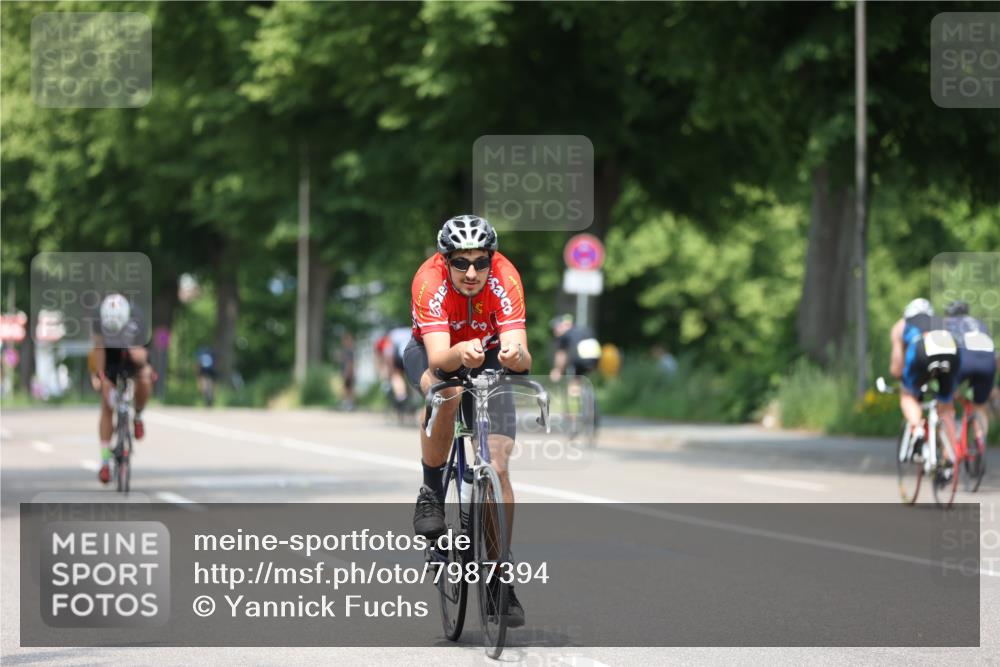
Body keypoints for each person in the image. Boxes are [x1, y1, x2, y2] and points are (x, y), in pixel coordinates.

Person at [405, 214, 531, 626]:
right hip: (435, 349)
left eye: (480, 262)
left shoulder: (506, 278)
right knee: (446, 391)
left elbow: (521, 355)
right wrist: (460, 355)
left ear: (492, 259)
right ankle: (430, 490)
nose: (472, 272)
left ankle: (498, 573)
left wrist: (514, 357)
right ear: (446, 261)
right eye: (461, 263)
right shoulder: (429, 280)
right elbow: (441, 355)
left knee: (497, 463)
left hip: (488, 351)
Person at [88, 293, 154, 485]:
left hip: (132, 353)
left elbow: (144, 355)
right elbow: (98, 349)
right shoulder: (98, 319)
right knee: (107, 405)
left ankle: (138, 416)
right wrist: (100, 377)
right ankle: (105, 461)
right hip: (110, 358)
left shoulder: (138, 318)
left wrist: (137, 355)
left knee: (145, 377)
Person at [889, 298, 959, 464]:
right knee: (946, 406)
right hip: (950, 351)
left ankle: (918, 429)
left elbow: (897, 366)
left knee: (907, 395)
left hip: (923, 351)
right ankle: (949, 459)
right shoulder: (940, 321)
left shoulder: (901, 324)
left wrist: (900, 378)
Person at [944, 300, 997, 439]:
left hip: (964, 359)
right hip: (988, 361)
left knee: (946, 399)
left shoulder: (948, 323)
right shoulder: (979, 324)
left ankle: (949, 442)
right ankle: (980, 443)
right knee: (980, 405)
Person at [548, 314, 601, 382]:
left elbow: (561, 355)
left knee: (574, 381)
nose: (555, 332)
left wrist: (558, 370)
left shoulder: (565, 335)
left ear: (564, 325)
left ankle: (574, 390)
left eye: (556, 328)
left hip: (580, 358)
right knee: (588, 379)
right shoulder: (585, 330)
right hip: (595, 357)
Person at [384, 325, 413, 409]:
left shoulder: (392, 334)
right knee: (412, 376)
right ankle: (415, 398)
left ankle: (401, 396)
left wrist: (390, 368)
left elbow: (388, 353)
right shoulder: (410, 330)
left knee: (396, 375)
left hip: (398, 357)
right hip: (411, 355)